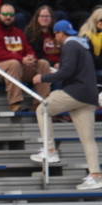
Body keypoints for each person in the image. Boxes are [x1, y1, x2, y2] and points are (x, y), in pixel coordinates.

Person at [30, 20, 102, 189]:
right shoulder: (81, 45)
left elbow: (67, 72)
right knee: (87, 139)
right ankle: (96, 175)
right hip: (89, 97)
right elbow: (74, 70)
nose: (55, 38)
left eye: (55, 34)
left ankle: (51, 151)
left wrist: (43, 77)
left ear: (60, 34)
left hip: (76, 92)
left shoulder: (69, 46)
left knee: (42, 109)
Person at [0, 4, 51, 111]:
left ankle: (40, 105)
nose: (8, 17)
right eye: (5, 14)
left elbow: (27, 49)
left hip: (17, 68)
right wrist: (21, 59)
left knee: (43, 64)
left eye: (11, 14)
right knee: (13, 63)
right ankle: (15, 104)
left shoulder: (18, 32)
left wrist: (31, 58)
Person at [79, 7, 102, 79]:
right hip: (89, 69)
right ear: (95, 20)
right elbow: (89, 58)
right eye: (101, 20)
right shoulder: (86, 35)